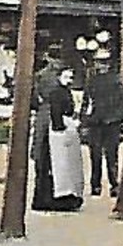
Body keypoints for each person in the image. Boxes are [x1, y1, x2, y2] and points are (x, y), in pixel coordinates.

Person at [30, 68, 83, 212]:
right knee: (55, 164)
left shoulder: (49, 89)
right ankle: (53, 199)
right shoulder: (58, 93)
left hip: (48, 129)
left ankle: (44, 198)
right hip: (54, 131)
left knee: (46, 165)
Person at [81, 51, 123, 198]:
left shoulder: (112, 81)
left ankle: (106, 185)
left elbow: (122, 102)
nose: (101, 65)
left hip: (105, 122)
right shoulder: (101, 80)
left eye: (103, 62)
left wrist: (86, 119)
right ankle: (102, 185)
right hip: (101, 122)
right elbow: (86, 101)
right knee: (101, 156)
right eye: (99, 62)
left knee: (105, 155)